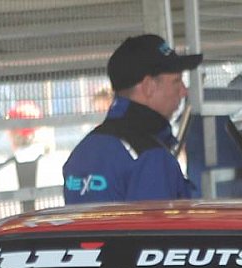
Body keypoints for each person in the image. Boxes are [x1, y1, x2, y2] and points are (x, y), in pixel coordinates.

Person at [63, 34, 202, 204]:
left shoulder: (82, 152)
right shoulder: (150, 157)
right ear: (149, 87)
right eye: (176, 81)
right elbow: (158, 221)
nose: (184, 91)